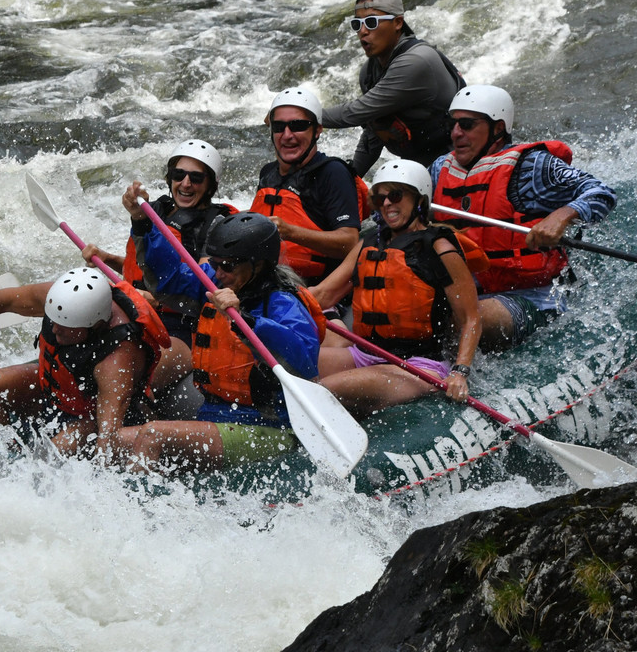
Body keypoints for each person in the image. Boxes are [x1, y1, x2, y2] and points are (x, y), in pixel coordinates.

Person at [0, 268, 183, 462]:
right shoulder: (61, 301)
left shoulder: (117, 359)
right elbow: (4, 300)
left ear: (96, 325)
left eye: (67, 328)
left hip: (92, 417)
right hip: (55, 391)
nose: (55, 330)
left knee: (57, 450)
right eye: (54, 321)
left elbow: (108, 438)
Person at [120, 212, 323, 473]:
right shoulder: (214, 282)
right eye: (215, 263)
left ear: (258, 265)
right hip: (214, 416)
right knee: (115, 441)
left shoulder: (282, 303)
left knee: (153, 434)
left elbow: (304, 362)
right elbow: (169, 280)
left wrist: (248, 322)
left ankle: (138, 510)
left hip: (265, 428)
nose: (218, 272)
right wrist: (142, 225)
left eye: (227, 266)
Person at [430, 84, 617, 350]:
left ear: (497, 128)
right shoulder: (440, 168)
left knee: (465, 321)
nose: (456, 133)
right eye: (453, 124)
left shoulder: (532, 166)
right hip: (470, 290)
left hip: (534, 297)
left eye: (467, 124)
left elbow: (601, 192)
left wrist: (562, 215)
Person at [311, 159, 481, 418]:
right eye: (380, 199)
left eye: (395, 195)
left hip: (418, 365)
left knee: (321, 390)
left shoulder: (440, 247)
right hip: (364, 354)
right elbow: (323, 295)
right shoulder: (369, 243)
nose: (387, 204)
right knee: (286, 367)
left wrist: (460, 372)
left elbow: (471, 318)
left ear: (419, 200)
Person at [80, 139, 236, 346]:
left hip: (179, 324)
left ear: (210, 185)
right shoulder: (155, 212)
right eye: (178, 175)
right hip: (134, 307)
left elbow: (199, 285)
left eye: (196, 178)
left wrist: (155, 298)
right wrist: (107, 258)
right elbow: (144, 270)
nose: (186, 183)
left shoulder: (216, 225)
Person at [319, 0, 465, 177]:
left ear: (397, 23)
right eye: (357, 24)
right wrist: (353, 178)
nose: (362, 31)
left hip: (460, 168)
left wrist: (299, 115)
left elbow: (355, 113)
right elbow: (374, 130)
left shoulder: (415, 62)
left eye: (371, 22)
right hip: (419, 171)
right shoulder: (369, 72)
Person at [249, 87, 367, 288]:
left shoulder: (333, 172)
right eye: (279, 127)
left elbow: (349, 241)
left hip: (313, 289)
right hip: (265, 285)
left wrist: (290, 232)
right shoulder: (268, 173)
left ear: (317, 130)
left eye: (298, 126)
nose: (287, 135)